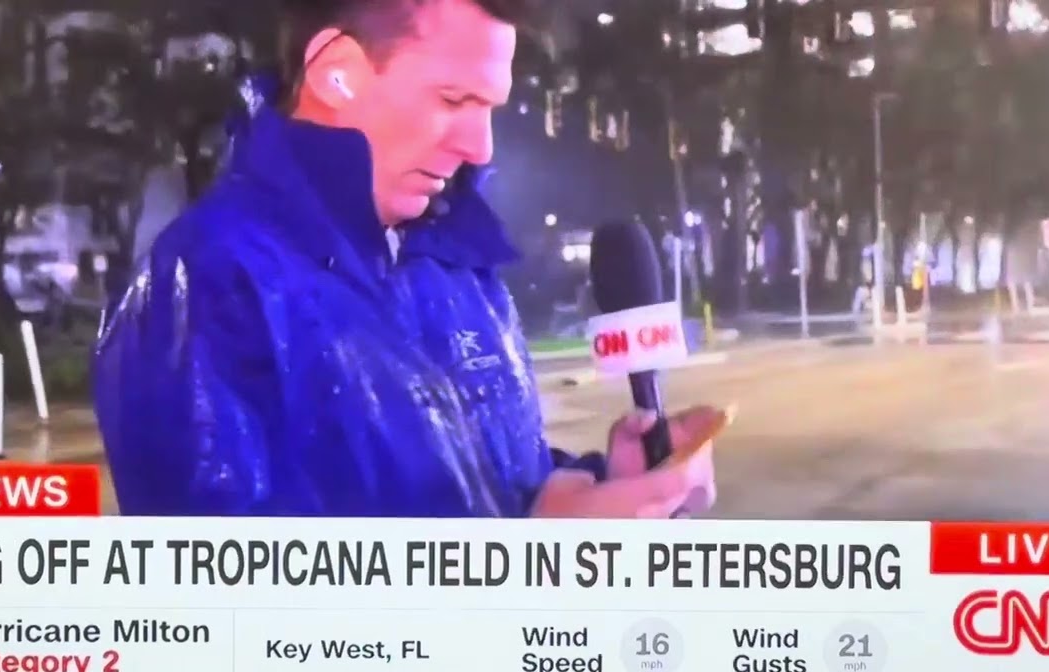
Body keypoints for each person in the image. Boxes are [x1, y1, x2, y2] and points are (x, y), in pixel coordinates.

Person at [92, 0, 719, 517]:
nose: (479, 147)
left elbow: (478, 490)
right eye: (453, 100)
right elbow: (244, 630)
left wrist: (587, 492)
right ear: (338, 74)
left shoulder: (456, 263)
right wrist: (539, 567)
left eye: (489, 107)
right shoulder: (207, 285)